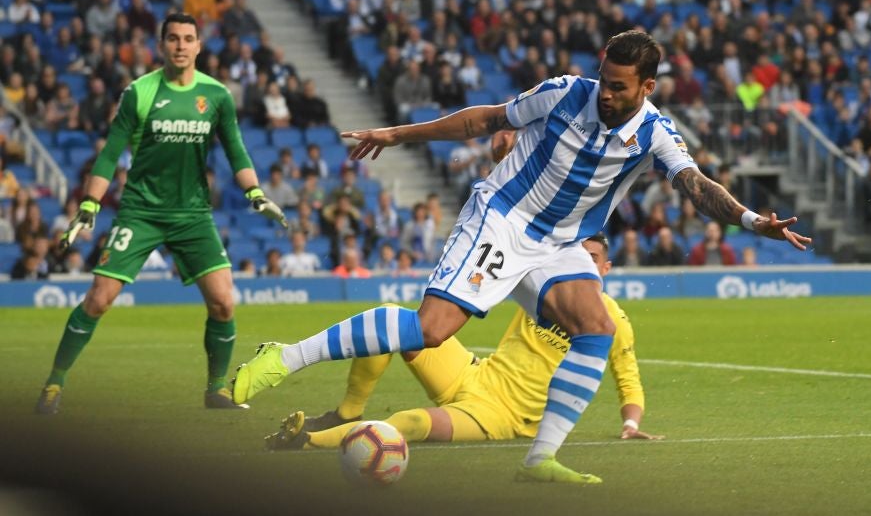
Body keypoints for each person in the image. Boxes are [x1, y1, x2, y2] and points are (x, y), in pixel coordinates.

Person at [233, 31, 810, 483]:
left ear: (648, 87)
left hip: (561, 244)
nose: (605, 93)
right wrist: (397, 135)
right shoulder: (566, 92)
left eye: (618, 87)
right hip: (503, 219)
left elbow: (695, 185)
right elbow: (485, 119)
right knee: (430, 331)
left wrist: (752, 221)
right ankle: (285, 356)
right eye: (603, 80)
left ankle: (540, 460)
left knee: (597, 327)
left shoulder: (657, 133)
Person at [34, 13, 288, 416]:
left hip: (193, 215)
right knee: (99, 299)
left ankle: (215, 390)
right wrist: (89, 203)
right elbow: (110, 153)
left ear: (199, 46)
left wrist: (255, 192)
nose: (180, 46)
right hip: (141, 212)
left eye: (188, 39)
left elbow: (236, 150)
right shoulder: (139, 92)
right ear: (161, 45)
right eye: (173, 38)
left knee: (224, 303)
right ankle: (53, 383)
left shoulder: (217, 95)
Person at [264, 234, 661, 452]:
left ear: (606, 268)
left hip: (500, 417)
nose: (584, 264)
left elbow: (628, 380)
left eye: (593, 258)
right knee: (395, 326)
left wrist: (630, 423)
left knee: (410, 422)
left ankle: (308, 442)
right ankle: (347, 413)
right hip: (473, 375)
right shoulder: (545, 290)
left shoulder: (612, 322)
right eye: (579, 256)